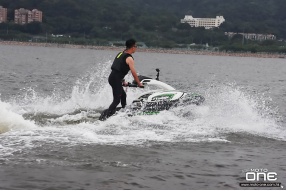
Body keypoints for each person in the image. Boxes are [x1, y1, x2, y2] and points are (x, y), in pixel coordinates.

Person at [99, 39, 144, 121]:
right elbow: (133, 72)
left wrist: (122, 81)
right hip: (116, 79)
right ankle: (104, 119)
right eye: (136, 46)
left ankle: (123, 112)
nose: (136, 48)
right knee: (116, 100)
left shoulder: (121, 54)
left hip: (113, 78)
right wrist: (139, 83)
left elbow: (118, 69)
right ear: (132, 47)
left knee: (123, 96)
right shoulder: (129, 58)